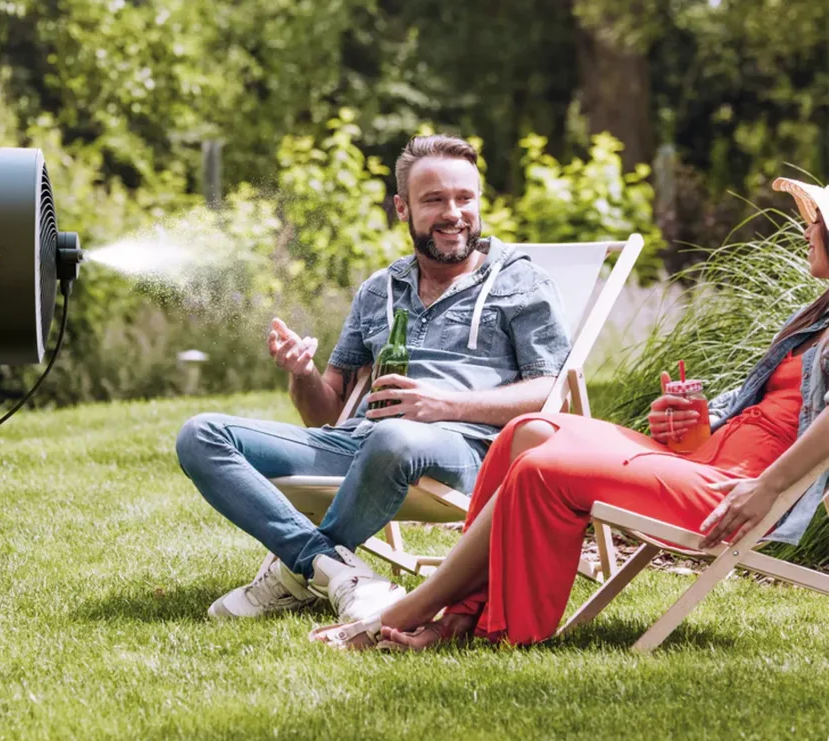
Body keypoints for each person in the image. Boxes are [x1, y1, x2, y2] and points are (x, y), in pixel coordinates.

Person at [310, 174, 829, 650]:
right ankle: (460, 616)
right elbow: (759, 411)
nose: (807, 231)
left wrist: (766, 489)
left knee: (543, 469)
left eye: (816, 224)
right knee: (527, 431)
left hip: (736, 490)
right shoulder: (815, 320)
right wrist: (691, 423)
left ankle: (415, 611)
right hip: (705, 460)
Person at [176, 135, 572, 624]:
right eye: (434, 200)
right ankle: (326, 567)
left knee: (394, 437)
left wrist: (443, 405)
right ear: (402, 208)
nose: (454, 213)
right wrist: (302, 374)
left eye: (465, 198)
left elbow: (550, 392)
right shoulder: (379, 289)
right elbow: (325, 411)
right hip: (359, 442)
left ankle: (293, 576)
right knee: (200, 434)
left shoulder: (521, 282)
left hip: (468, 451)